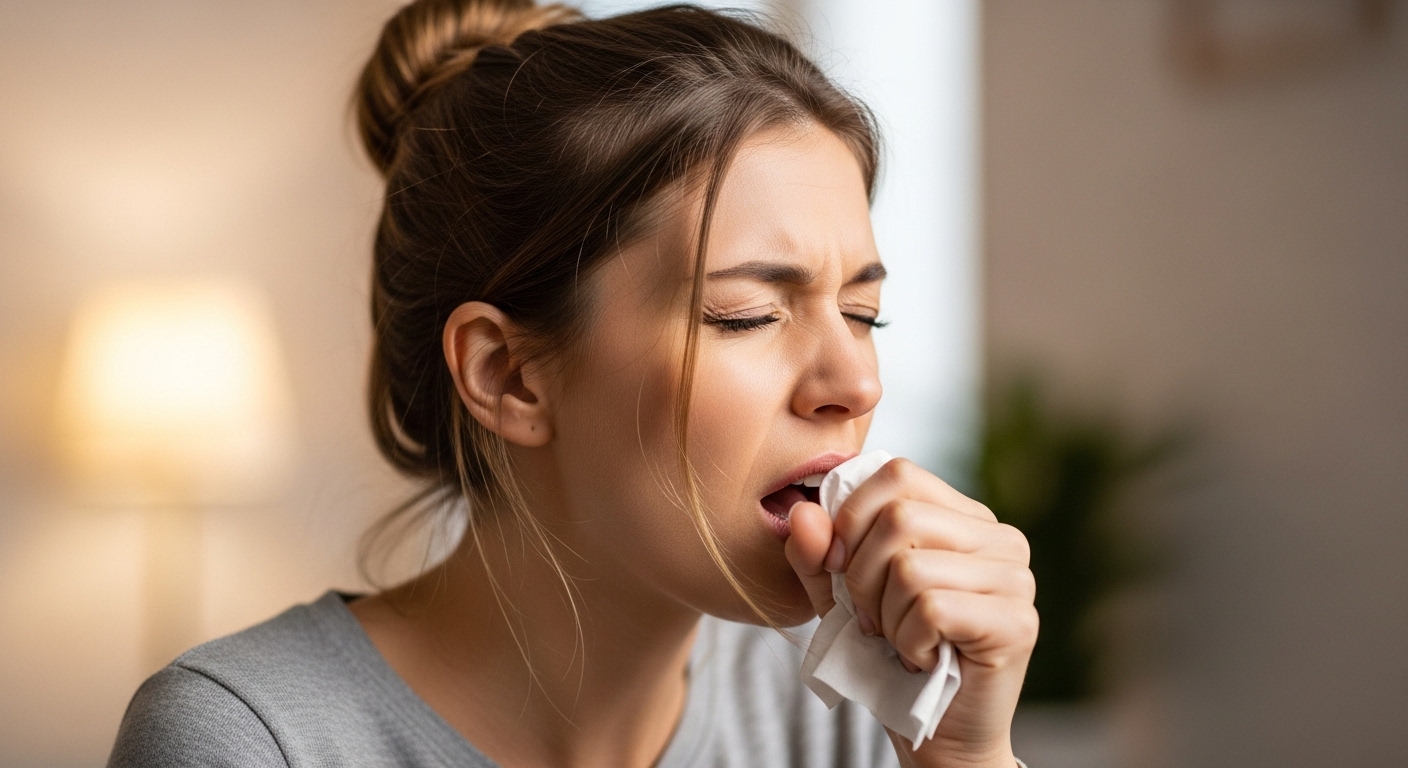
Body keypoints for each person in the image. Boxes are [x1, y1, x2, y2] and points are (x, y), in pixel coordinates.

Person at [107, 2, 1037, 766]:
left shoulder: (846, 712)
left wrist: (964, 756)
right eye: (748, 314)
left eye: (862, 314)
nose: (855, 379)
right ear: (508, 375)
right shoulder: (247, 740)